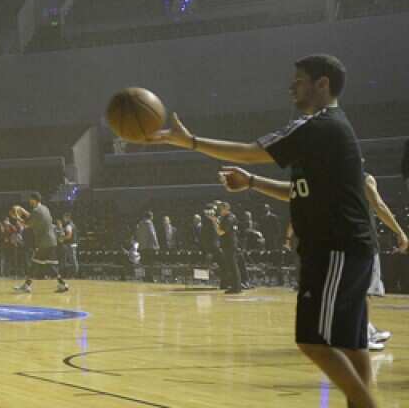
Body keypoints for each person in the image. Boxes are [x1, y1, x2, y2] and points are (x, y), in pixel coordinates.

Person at [158, 54, 380, 407]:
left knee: (313, 341)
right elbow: (298, 192)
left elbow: (250, 151)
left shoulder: (316, 126)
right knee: (352, 344)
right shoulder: (330, 132)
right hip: (350, 247)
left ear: (322, 84)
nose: (291, 86)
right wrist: (251, 184)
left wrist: (190, 142)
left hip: (333, 247)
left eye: (300, 79)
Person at [361, 173, 408, 351]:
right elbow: (379, 205)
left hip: (342, 240)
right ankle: (361, 335)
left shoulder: (333, 179)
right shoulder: (363, 178)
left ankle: (367, 329)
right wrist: (399, 231)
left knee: (356, 291)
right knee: (364, 291)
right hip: (362, 240)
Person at [12, 192, 69, 294]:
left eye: (30, 199)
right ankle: (62, 284)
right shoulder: (44, 208)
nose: (29, 201)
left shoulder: (36, 211)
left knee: (35, 264)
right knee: (49, 265)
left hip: (44, 242)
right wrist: (23, 211)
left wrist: (17, 217)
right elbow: (34, 218)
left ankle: (26, 286)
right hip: (51, 240)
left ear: (34, 200)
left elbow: (27, 225)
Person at [214, 201, 244, 294]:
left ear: (226, 208)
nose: (220, 211)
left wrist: (215, 222)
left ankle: (236, 287)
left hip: (229, 244)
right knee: (231, 266)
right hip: (229, 244)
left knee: (233, 266)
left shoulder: (229, 218)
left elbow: (221, 232)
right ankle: (235, 286)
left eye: (221, 209)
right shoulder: (228, 217)